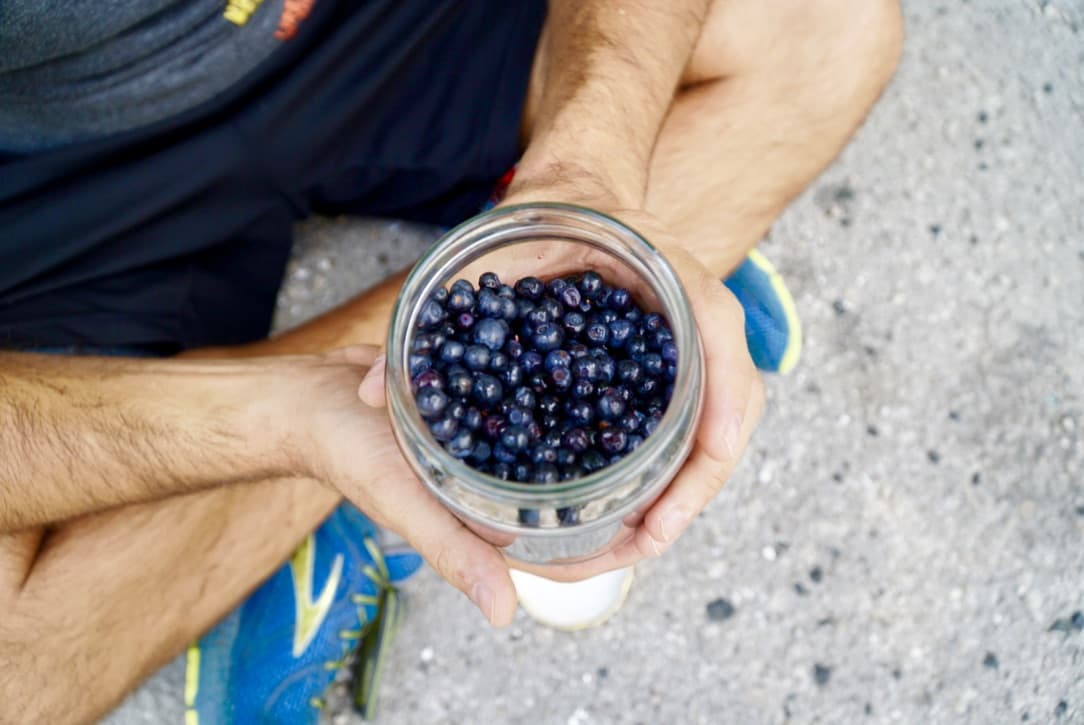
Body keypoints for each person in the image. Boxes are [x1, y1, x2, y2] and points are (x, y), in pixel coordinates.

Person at [0, 0, 902, 721]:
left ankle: (596, 255)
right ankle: (361, 450)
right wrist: (282, 416)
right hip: (50, 168)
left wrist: (592, 159)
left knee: (828, 24)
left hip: (355, 26)